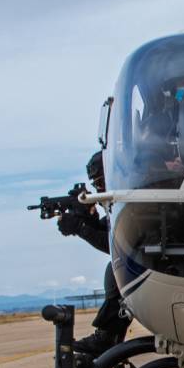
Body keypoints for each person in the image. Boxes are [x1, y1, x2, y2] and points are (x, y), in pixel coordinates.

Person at [57, 151, 132, 356]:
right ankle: (108, 337)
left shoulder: (133, 201)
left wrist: (80, 228)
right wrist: (86, 220)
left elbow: (122, 245)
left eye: (100, 183)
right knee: (115, 269)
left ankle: (107, 338)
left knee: (119, 269)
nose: (98, 190)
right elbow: (108, 232)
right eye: (95, 184)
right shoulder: (121, 204)